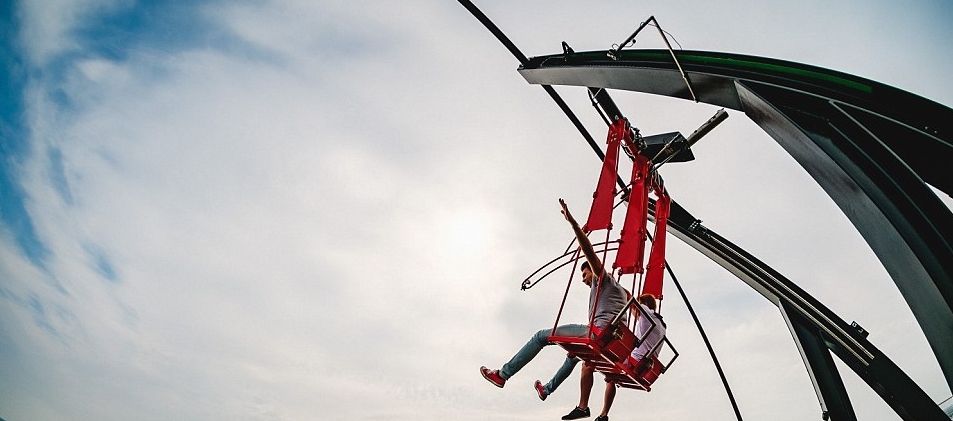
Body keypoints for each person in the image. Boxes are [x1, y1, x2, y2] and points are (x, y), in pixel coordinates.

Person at [480, 199, 629, 403]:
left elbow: (589, 252)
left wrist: (574, 225)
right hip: (609, 343)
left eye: (585, 274)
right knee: (572, 356)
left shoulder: (603, 279)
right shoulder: (621, 292)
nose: (584, 279)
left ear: (592, 272)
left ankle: (502, 375)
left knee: (540, 336)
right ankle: (547, 389)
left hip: (596, 334)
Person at [562, 294, 667, 421]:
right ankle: (604, 415)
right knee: (611, 378)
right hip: (644, 368)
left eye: (635, 309)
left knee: (587, 365)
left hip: (633, 363)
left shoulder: (646, 312)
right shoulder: (661, 325)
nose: (633, 313)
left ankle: (582, 407)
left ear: (643, 304)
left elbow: (628, 297)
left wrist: (618, 289)